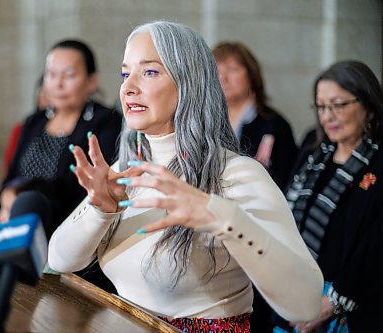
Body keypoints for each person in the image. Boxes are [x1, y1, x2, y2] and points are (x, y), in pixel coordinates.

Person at [47, 21, 323, 333]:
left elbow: (306, 304)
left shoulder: (235, 174)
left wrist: (223, 218)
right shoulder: (128, 170)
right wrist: (100, 210)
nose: (128, 87)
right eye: (125, 73)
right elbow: (59, 260)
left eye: (149, 72)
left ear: (189, 81)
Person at [278, 61, 383, 333]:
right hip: (293, 293)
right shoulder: (314, 148)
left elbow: (375, 247)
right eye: (321, 107)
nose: (328, 116)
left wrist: (333, 301)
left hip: (351, 307)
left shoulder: (378, 161)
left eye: (338, 105)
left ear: (368, 105)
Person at [1, 39, 123, 238]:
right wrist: (8, 200)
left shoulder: (107, 122)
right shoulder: (34, 122)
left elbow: (93, 188)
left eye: (69, 75)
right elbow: (10, 178)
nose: (58, 84)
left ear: (91, 81)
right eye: (51, 74)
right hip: (19, 228)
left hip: (72, 234)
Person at [212, 42, 298, 191]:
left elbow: (286, 181)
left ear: (252, 75)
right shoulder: (207, 121)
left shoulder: (275, 125)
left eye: (232, 70)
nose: (222, 78)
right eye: (216, 70)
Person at [2, 74, 50, 175]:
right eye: (43, 91)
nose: (48, 97)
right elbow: (10, 167)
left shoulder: (76, 130)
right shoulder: (25, 128)